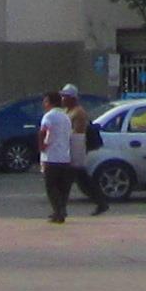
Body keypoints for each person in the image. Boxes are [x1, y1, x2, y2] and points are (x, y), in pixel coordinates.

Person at [38, 86, 100, 222]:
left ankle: (61, 210)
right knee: (69, 181)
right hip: (65, 153)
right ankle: (61, 210)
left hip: (71, 149)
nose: (63, 98)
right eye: (62, 96)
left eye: (65, 96)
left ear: (73, 98)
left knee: (61, 182)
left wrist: (43, 147)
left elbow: (74, 133)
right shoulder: (66, 114)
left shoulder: (78, 112)